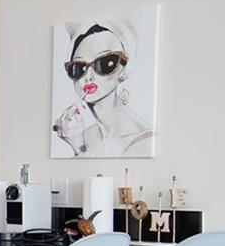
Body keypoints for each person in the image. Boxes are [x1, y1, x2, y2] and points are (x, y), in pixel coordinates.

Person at [53, 22, 154, 157]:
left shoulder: (143, 141)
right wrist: (77, 145)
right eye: (79, 67)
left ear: (123, 68)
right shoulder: (86, 135)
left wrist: (79, 149)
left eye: (105, 63)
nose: (88, 76)